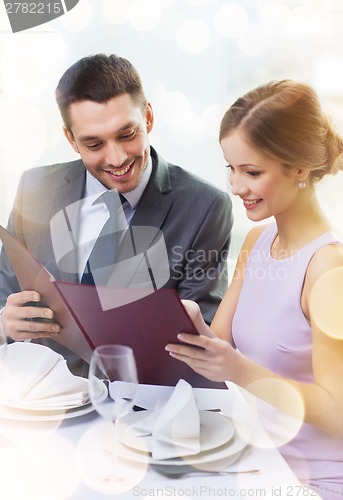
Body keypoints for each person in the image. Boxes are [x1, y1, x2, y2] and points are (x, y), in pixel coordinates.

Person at [0, 54, 233, 374]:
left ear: (148, 117)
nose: (117, 158)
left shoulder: (205, 207)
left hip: (141, 409)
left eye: (127, 134)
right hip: (40, 403)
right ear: (71, 139)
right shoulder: (34, 187)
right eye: (94, 144)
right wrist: (5, 323)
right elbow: (4, 293)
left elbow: (201, 340)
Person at [166, 80, 343, 499]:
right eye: (231, 167)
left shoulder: (327, 269)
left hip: (311, 478)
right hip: (251, 457)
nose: (234, 185)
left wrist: (240, 371)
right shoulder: (257, 241)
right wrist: (184, 323)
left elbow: (338, 412)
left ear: (299, 168)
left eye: (252, 172)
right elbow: (220, 345)